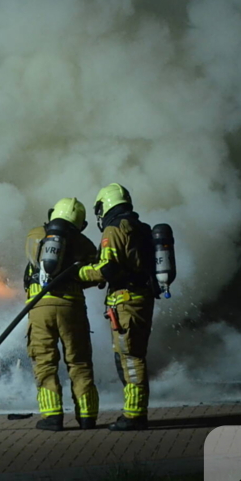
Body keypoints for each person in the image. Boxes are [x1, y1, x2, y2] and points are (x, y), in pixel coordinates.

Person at [78, 183, 155, 431]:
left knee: (130, 357)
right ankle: (134, 411)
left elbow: (106, 268)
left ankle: (134, 415)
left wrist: (78, 274)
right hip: (141, 298)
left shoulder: (113, 229)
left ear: (105, 205)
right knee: (133, 354)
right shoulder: (140, 228)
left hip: (126, 302)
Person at [23, 198, 100, 431]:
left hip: (39, 307)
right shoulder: (85, 244)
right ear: (81, 224)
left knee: (45, 361)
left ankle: (52, 417)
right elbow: (95, 274)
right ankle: (87, 417)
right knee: (79, 361)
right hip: (71, 308)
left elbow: (32, 264)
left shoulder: (35, 234)